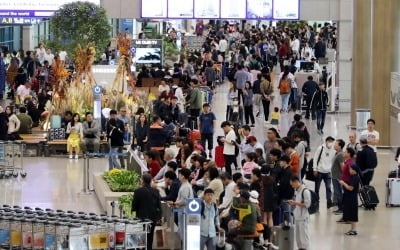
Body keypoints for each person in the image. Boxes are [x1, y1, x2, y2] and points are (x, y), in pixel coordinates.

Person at [131, 173, 161, 250]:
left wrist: (133, 210)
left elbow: (134, 205)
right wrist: (159, 217)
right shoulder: (156, 191)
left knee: (142, 235)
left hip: (141, 217)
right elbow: (158, 205)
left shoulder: (138, 191)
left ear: (143, 181)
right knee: (150, 236)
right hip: (152, 217)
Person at [168, 168, 194, 241]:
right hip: (183, 210)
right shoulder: (185, 185)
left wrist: (174, 203)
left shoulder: (185, 187)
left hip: (184, 211)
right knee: (182, 228)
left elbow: (184, 200)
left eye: (179, 174)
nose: (178, 176)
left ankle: (184, 245)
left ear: (182, 176)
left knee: (183, 229)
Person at [287, 176, 311, 250]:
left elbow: (307, 205)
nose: (292, 186)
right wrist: (294, 203)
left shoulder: (305, 191)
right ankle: (300, 248)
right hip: (297, 216)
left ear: (296, 182)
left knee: (304, 236)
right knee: (298, 237)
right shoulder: (297, 190)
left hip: (303, 217)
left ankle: (305, 248)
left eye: (292, 184)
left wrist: (295, 203)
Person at [313, 136, 335, 208]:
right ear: (326, 141)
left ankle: (329, 202)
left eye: (332, 141)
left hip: (328, 172)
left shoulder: (333, 150)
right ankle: (316, 201)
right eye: (329, 141)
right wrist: (315, 169)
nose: (330, 143)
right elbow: (315, 158)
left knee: (328, 188)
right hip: (319, 171)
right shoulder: (320, 148)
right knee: (317, 188)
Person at [339, 164, 360, 236]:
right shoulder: (353, 177)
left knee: (353, 214)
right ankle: (352, 229)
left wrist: (343, 183)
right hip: (349, 197)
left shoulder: (355, 178)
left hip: (352, 198)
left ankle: (354, 229)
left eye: (350, 169)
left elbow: (350, 188)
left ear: (354, 170)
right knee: (350, 214)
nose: (349, 170)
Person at [331, 139, 345, 214]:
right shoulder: (337, 153)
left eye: (336, 144)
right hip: (335, 176)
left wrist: (342, 177)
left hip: (338, 177)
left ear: (340, 146)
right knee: (337, 193)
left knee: (338, 193)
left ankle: (341, 209)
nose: (334, 145)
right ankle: (340, 208)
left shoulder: (340, 155)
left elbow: (342, 167)